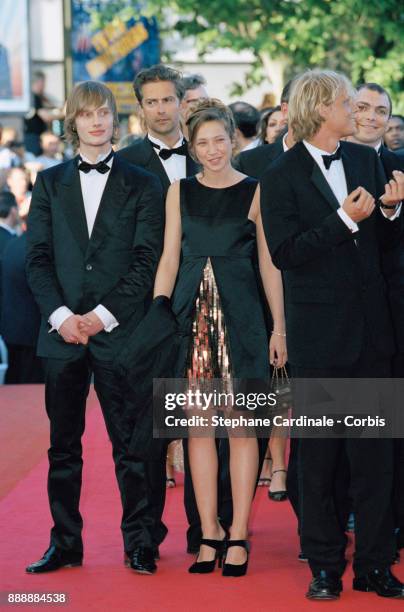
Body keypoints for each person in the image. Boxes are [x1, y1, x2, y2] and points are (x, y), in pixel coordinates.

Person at [261, 69, 404, 600]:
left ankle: (373, 564)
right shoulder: (280, 174)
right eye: (348, 103)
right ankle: (323, 566)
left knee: (375, 461)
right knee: (319, 461)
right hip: (320, 338)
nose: (358, 111)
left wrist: (389, 211)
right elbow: (286, 252)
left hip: (372, 337)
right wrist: (343, 219)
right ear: (323, 108)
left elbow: (386, 250)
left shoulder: (368, 159)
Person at [25, 81, 164, 575]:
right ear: (74, 122)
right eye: (87, 115)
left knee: (132, 446)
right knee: (63, 447)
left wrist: (101, 316)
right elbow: (36, 258)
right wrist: (62, 317)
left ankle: (141, 542)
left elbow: (147, 262)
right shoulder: (48, 182)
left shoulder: (145, 184)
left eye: (104, 112)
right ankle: (65, 543)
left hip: (121, 332)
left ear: (115, 118)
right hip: (60, 335)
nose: (97, 122)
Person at [153, 98, 287, 576]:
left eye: (219, 140)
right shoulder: (178, 191)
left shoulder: (255, 190)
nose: (212, 150)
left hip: (243, 317)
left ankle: (238, 534)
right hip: (189, 317)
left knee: (243, 428)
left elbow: (270, 265)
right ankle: (208, 532)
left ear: (233, 139)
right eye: (202, 143)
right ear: (192, 148)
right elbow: (169, 257)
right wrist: (158, 311)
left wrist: (279, 326)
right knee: (198, 430)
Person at [118, 64, 202, 555]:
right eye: (152, 102)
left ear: (181, 102)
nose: (162, 109)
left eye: (169, 99)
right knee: (150, 433)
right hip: (148, 318)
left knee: (207, 425)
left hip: (208, 308)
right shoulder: (125, 163)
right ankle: (144, 536)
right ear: (141, 107)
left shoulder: (210, 155)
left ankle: (205, 530)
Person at [24, 71, 63, 156]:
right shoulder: (34, 97)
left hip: (33, 136)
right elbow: (46, 117)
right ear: (39, 82)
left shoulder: (34, 97)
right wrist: (64, 113)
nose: (44, 86)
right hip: (33, 137)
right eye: (44, 82)